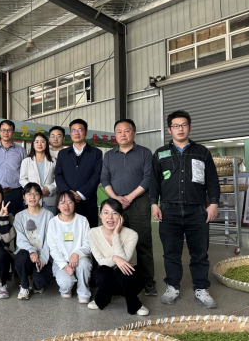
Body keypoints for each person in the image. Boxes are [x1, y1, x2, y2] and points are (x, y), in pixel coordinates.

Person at [150, 110, 220, 309]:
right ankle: (172, 287)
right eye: (176, 126)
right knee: (171, 253)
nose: (180, 129)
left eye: (183, 125)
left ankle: (201, 288)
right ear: (169, 129)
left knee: (200, 252)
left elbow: (212, 180)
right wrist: (154, 203)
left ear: (190, 127)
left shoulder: (202, 152)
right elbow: (154, 181)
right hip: (169, 210)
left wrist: (213, 203)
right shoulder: (160, 153)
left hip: (197, 210)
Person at [101, 119, 156, 297]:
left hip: (139, 202)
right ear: (115, 135)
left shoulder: (145, 153)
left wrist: (130, 197)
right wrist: (116, 198)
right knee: (115, 241)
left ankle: (148, 282)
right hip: (115, 205)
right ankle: (118, 280)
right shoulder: (109, 156)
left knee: (143, 242)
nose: (122, 134)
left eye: (126, 131)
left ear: (134, 133)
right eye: (119, 131)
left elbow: (148, 178)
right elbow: (104, 179)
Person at [87, 199, 150, 316]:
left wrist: (116, 234)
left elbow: (123, 261)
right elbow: (100, 260)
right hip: (107, 280)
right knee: (102, 270)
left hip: (128, 280)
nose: (110, 217)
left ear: (121, 216)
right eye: (106, 212)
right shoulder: (92, 233)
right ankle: (102, 299)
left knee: (122, 270)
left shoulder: (131, 234)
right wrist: (114, 258)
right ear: (100, 215)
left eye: (115, 213)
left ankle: (135, 304)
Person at [55, 119, 103, 228]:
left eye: (80, 130)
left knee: (89, 231)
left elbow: (97, 175)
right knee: (67, 232)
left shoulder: (96, 153)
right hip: (66, 203)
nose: (77, 133)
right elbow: (58, 175)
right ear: (70, 133)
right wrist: (69, 194)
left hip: (88, 201)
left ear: (86, 132)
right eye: (73, 130)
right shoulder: (63, 154)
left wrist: (81, 194)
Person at [47, 191, 92, 304]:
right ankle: (67, 287)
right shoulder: (53, 222)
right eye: (62, 202)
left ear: (74, 204)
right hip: (61, 261)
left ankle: (83, 291)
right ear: (58, 205)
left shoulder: (82, 220)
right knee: (66, 284)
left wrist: (76, 253)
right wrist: (64, 265)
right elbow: (53, 249)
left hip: (80, 258)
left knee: (84, 264)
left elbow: (88, 244)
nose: (66, 206)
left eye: (70, 202)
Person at [14, 183, 54, 301]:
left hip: (42, 257)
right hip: (26, 255)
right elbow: (20, 239)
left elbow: (49, 241)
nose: (32, 197)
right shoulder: (19, 216)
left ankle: (36, 284)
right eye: (29, 194)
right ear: (24, 197)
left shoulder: (49, 215)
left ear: (41, 196)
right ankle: (24, 286)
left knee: (41, 282)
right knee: (21, 256)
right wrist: (31, 251)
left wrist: (43, 259)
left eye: (36, 194)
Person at [0, 120, 27, 216]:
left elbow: (25, 171)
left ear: (13, 132)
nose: (6, 133)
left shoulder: (21, 151)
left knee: (17, 219)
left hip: (16, 192)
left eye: (9, 130)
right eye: (3, 130)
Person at [20, 133, 57, 214]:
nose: (39, 144)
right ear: (33, 145)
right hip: (32, 198)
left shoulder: (54, 161)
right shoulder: (26, 161)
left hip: (49, 199)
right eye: (37, 142)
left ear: (46, 144)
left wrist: (49, 189)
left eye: (42, 141)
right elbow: (22, 179)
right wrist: (37, 189)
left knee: (50, 220)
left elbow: (58, 179)